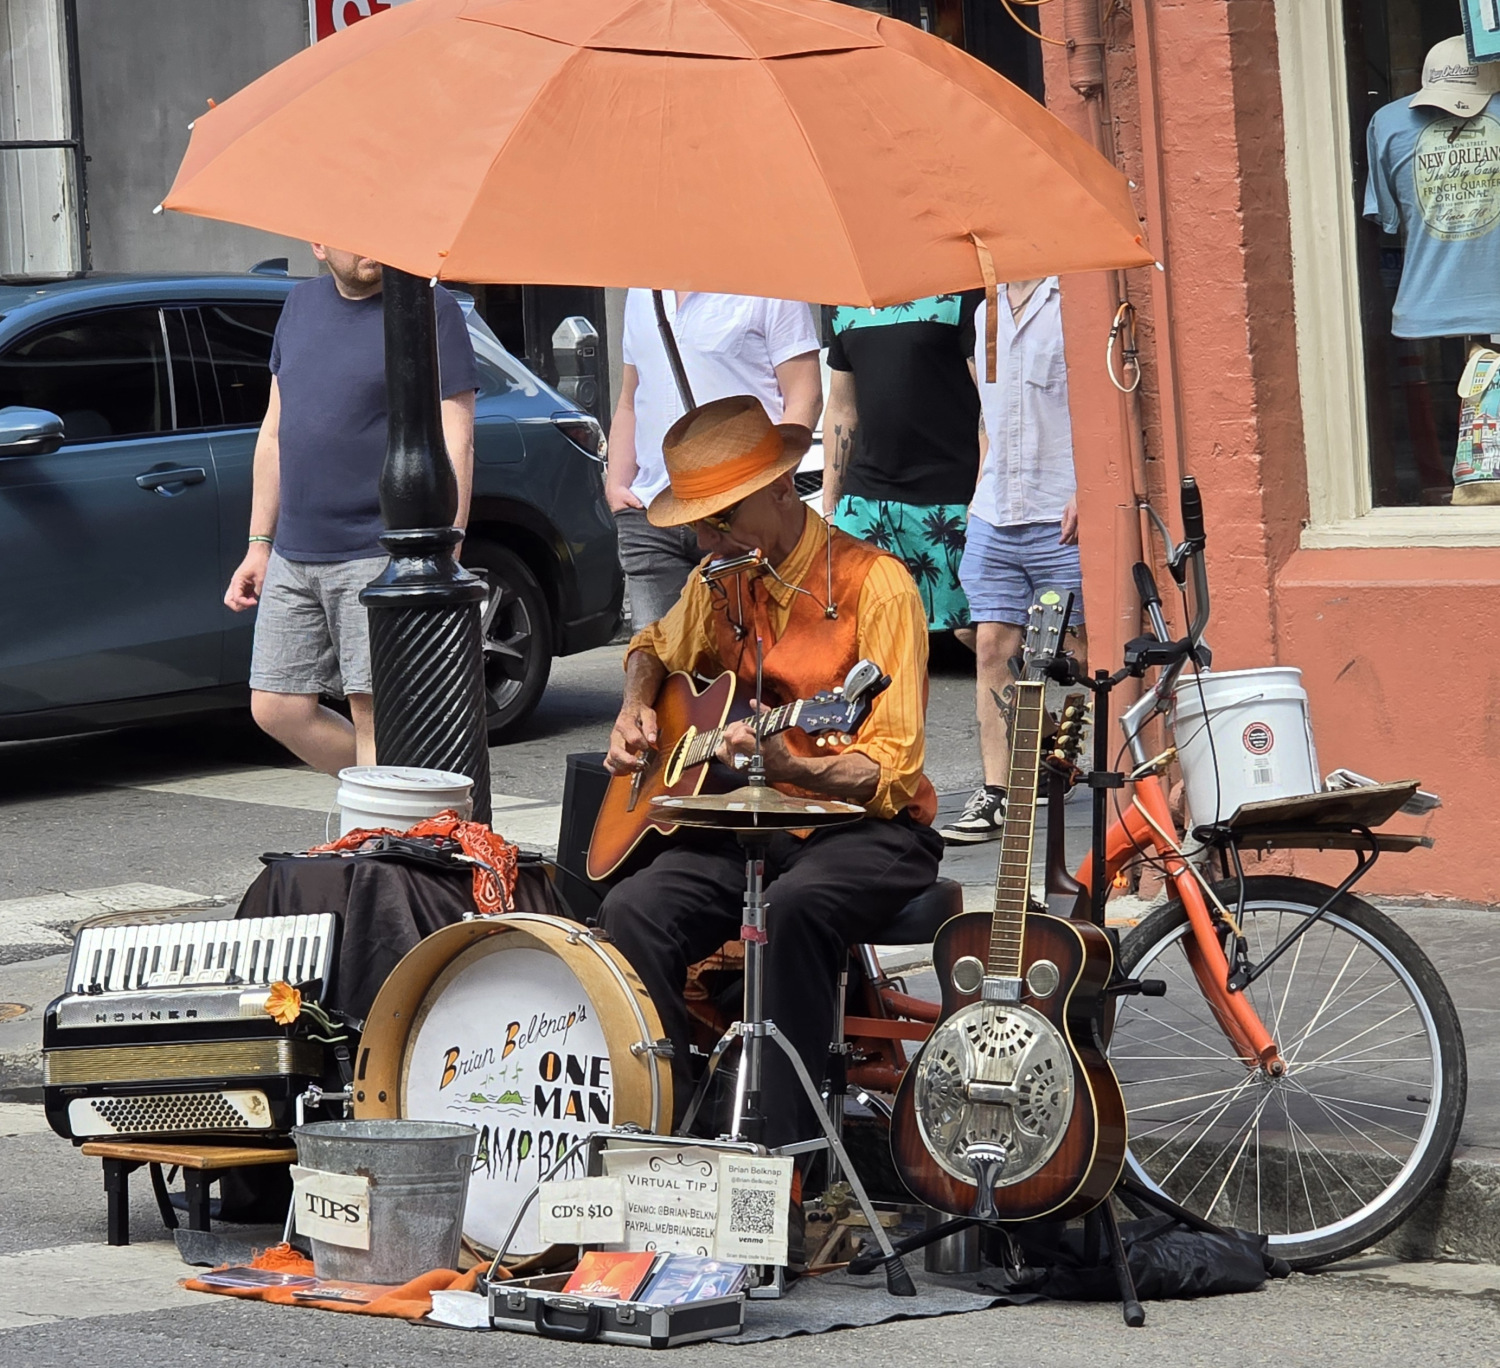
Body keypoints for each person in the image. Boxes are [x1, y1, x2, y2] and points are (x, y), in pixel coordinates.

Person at [599, 395, 943, 1152]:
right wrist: (635, 706)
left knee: (791, 911)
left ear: (783, 488)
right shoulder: (721, 577)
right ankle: (672, 1127)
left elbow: (891, 767)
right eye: (698, 523)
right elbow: (653, 645)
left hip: (870, 829)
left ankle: (782, 1158)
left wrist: (794, 767)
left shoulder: (876, 584)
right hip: (758, 823)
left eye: (720, 518)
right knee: (632, 910)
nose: (703, 540)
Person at [223, 245, 479, 775]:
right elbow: (273, 433)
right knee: (276, 707)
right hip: (295, 549)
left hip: (379, 549)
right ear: (319, 244)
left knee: (376, 714)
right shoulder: (300, 304)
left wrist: (446, 542)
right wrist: (258, 543)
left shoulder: (428, 307)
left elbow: (457, 437)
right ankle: (389, 792)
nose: (369, 245)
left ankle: (381, 817)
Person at [940, 277, 1086, 844]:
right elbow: (990, 413)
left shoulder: (1073, 299)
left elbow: (1102, 403)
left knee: (1084, 652)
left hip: (1059, 507)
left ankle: (1102, 774)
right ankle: (997, 792)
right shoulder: (986, 312)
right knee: (990, 646)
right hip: (996, 509)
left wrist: (1091, 488)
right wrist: (980, 490)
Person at [605, 290, 822, 627]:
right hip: (650, 513)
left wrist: (769, 485)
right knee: (654, 653)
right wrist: (617, 485)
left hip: (739, 509)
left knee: (750, 646)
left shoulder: (767, 285)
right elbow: (630, 399)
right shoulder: (641, 292)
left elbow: (804, 395)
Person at [822, 292, 983, 632]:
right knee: (860, 628)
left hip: (947, 500)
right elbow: (841, 407)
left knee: (966, 634)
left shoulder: (960, 292)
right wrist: (829, 503)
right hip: (864, 502)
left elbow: (989, 399)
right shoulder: (842, 301)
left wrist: (983, 489)